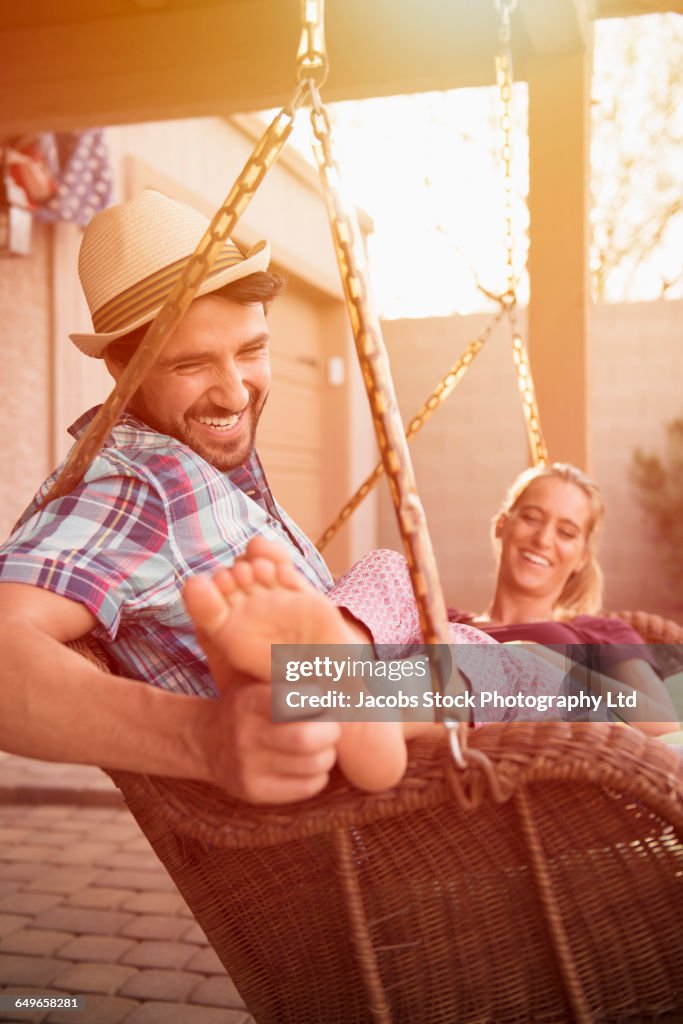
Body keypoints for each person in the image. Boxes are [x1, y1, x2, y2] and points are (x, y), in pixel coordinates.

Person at [447, 463, 679, 736]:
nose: (543, 539)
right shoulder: (444, 620)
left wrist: (544, 657)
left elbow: (665, 726)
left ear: (582, 557)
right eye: (532, 518)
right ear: (502, 524)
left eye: (566, 533)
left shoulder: (600, 632)